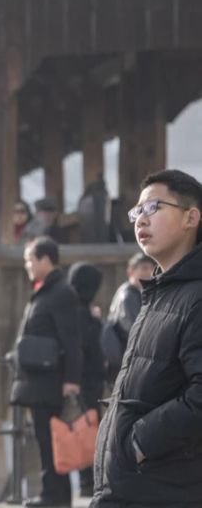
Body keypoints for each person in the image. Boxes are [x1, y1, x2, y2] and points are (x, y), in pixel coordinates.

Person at [93, 169, 202, 507]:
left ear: (192, 217)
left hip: (163, 488)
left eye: (153, 207)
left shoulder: (196, 296)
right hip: (134, 487)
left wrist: (139, 442)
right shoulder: (160, 292)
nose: (141, 219)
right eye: (137, 211)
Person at [10, 236, 82, 507]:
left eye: (30, 259)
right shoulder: (45, 291)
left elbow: (71, 340)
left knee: (50, 440)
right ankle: (55, 494)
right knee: (45, 439)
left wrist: (71, 380)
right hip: (39, 380)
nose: (27, 265)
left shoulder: (60, 292)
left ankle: (55, 495)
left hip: (51, 381)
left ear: (45, 259)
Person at [67, 262, 105, 498]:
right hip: (86, 381)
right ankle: (87, 480)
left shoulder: (74, 307)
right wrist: (97, 322)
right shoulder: (81, 312)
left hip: (85, 379)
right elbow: (83, 344)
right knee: (88, 428)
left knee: (86, 427)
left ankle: (87, 480)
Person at [100, 252, 155, 382]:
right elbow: (134, 328)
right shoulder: (128, 295)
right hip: (126, 355)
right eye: (144, 268)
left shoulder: (139, 293)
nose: (148, 272)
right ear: (131, 271)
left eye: (151, 268)